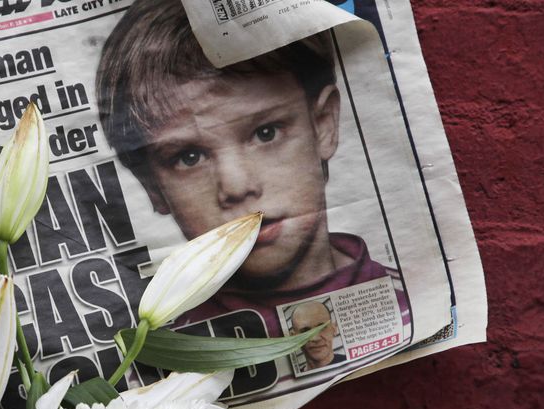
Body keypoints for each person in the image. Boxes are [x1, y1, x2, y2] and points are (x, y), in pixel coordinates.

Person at [96, 0, 407, 343]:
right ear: (153, 187)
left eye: (266, 133)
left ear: (324, 126)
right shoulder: (157, 351)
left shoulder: (410, 298)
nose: (236, 186)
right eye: (188, 157)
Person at [290, 301, 347, 372]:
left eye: (322, 328)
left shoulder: (350, 364)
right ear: (294, 338)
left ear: (334, 329)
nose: (315, 338)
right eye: (305, 331)